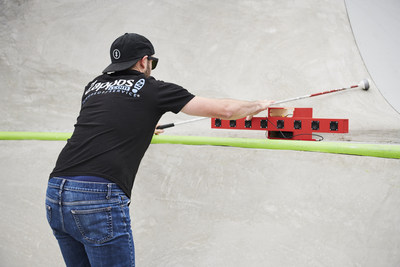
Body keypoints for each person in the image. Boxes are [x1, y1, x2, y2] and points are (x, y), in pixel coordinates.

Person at [45, 33, 274, 267]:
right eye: (151, 63)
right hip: (97, 196)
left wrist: (141, 124)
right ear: (144, 61)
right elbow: (225, 110)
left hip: (56, 192)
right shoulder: (154, 90)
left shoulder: (93, 85)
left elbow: (102, 120)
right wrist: (257, 105)